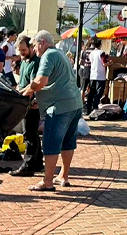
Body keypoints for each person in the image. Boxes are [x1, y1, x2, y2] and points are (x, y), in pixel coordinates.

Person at [21, 30, 83, 191]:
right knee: (68, 142)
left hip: (59, 107)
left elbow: (41, 81)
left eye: (34, 45)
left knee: (50, 143)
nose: (34, 49)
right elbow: (55, 82)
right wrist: (38, 99)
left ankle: (47, 181)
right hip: (74, 103)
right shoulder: (59, 53)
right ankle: (63, 175)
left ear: (42, 42)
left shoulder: (48, 55)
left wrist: (27, 91)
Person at [11, 36, 44, 177]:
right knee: (32, 132)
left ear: (31, 47)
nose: (22, 53)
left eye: (24, 50)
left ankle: (28, 165)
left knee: (29, 134)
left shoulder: (36, 62)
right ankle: (36, 162)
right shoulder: (24, 61)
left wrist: (35, 99)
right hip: (24, 100)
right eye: (19, 51)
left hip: (31, 101)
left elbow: (35, 84)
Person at [83, 38, 110, 117]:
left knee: (91, 92)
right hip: (100, 75)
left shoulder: (91, 53)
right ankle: (95, 106)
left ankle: (88, 109)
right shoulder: (101, 53)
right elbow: (104, 63)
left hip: (93, 74)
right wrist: (110, 63)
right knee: (99, 92)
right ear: (100, 44)